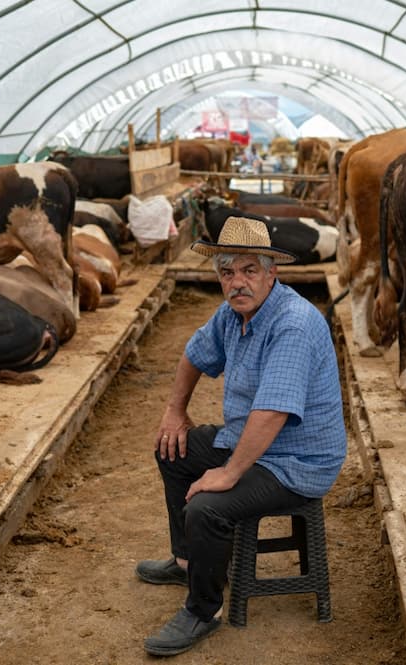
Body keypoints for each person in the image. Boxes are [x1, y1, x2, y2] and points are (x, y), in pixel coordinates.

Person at [135, 216, 348, 657]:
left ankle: (203, 610)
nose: (237, 282)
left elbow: (271, 414)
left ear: (273, 272)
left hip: (297, 461)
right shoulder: (232, 313)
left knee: (208, 506)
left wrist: (229, 473)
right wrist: (175, 411)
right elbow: (194, 355)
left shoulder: (292, 323)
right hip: (250, 440)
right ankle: (189, 562)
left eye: (250, 270)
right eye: (227, 271)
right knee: (172, 449)